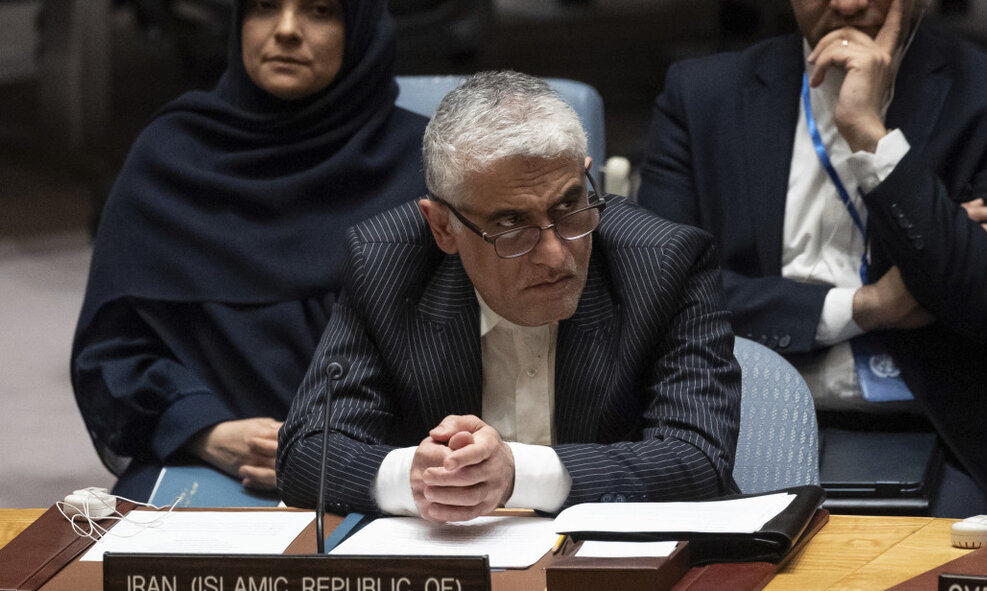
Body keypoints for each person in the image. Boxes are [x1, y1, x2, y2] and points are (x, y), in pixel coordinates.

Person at [278, 71, 741, 521]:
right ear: (444, 227)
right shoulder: (387, 265)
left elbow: (698, 459)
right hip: (452, 558)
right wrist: (414, 477)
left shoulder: (664, 264)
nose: (555, 256)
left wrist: (515, 473)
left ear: (586, 178)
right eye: (510, 224)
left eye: (568, 206)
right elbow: (306, 453)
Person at [639, 0, 987, 516]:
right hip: (737, 418)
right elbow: (660, 295)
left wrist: (872, 137)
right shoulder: (703, 94)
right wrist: (866, 307)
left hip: (932, 424)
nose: (848, 4)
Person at [71, 0, 428, 499]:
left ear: (360, 27)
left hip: (384, 471)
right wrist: (204, 430)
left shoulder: (426, 166)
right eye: (264, 7)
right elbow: (110, 354)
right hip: (210, 464)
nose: (286, 30)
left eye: (319, 10)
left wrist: (349, 463)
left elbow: (467, 353)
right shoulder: (171, 158)